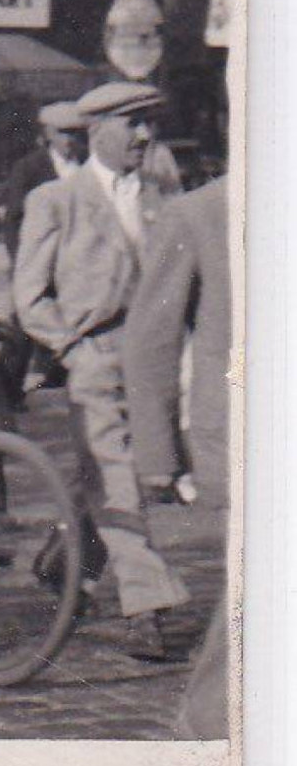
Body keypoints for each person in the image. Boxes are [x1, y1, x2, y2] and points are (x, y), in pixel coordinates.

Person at [14, 81, 191, 660]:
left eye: (150, 123)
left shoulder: (163, 194)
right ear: (99, 130)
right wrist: (69, 347)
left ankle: (65, 562)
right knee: (118, 479)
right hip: (92, 358)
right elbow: (29, 296)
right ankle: (147, 607)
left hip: (155, 359)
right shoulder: (56, 200)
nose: (146, 135)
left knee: (120, 475)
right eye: (133, 124)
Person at [125, 176, 231, 735]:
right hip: (242, 437)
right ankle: (205, 731)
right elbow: (151, 339)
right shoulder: (200, 212)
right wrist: (157, 453)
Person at [0, 101, 88, 260]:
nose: (68, 139)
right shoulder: (28, 168)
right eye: (62, 132)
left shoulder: (88, 163)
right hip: (44, 259)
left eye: (73, 132)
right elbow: (14, 221)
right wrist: (23, 263)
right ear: (49, 133)